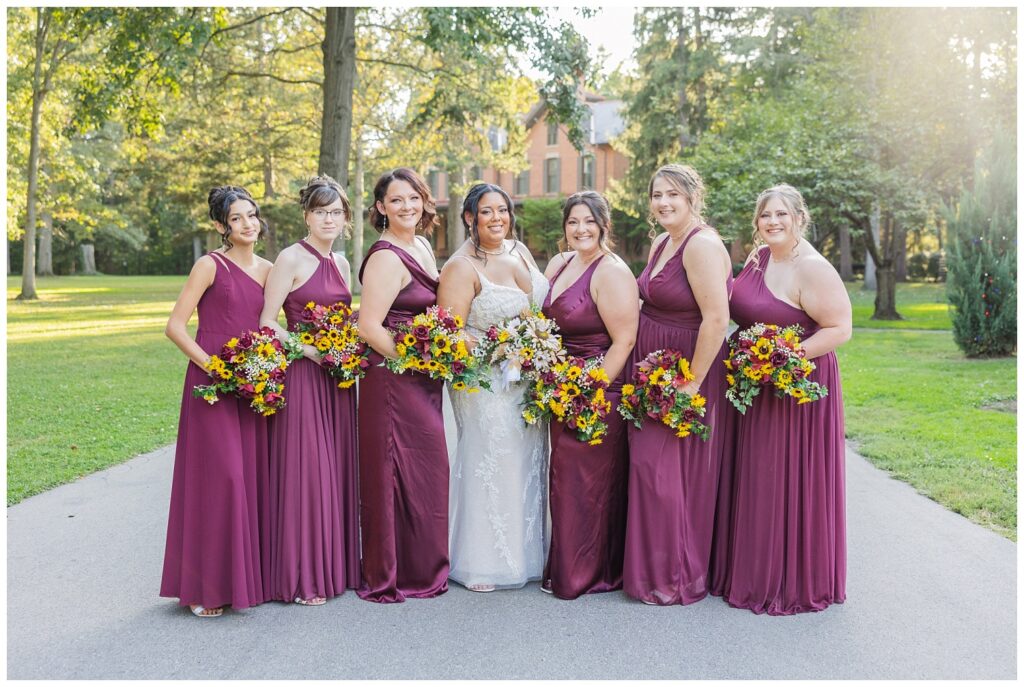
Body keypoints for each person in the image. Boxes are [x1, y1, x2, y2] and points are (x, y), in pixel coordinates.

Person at [719, 184, 851, 615]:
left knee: (785, 474)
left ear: (799, 218)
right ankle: (751, 569)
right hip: (755, 385)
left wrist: (779, 358)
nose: (772, 222)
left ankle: (789, 579)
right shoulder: (758, 257)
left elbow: (839, 330)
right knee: (757, 473)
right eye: (765, 216)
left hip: (797, 386)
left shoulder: (812, 268)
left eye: (781, 215)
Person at [622, 164, 734, 606]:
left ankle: (676, 575)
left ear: (692, 197)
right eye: (657, 195)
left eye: (673, 194)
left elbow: (717, 319)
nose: (664, 202)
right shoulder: (661, 241)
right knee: (652, 466)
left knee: (661, 469)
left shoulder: (701, 245)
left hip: (688, 369)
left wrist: (691, 384)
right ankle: (650, 569)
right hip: (654, 366)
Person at [160, 186, 273, 617]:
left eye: (252, 215)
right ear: (220, 225)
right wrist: (215, 367)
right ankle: (204, 588)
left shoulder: (268, 269)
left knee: (249, 478)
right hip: (211, 384)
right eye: (237, 218)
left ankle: (246, 581)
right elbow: (175, 327)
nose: (247, 224)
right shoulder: (209, 265)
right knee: (220, 479)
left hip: (255, 386)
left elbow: (271, 324)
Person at [437, 183, 549, 593]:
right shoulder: (460, 267)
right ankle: (483, 561)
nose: (497, 218)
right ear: (470, 218)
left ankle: (528, 555)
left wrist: (533, 345)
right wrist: (502, 348)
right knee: (491, 462)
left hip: (525, 382)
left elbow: (536, 310)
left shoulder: (519, 250)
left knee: (523, 460)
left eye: (502, 210)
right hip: (483, 383)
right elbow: (450, 335)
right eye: (486, 212)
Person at [259, 176, 359, 606]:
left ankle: (334, 568)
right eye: (322, 212)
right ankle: (304, 576)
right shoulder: (290, 257)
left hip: (337, 381)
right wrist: (312, 352)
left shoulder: (342, 263)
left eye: (336, 212)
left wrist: (344, 349)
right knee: (308, 474)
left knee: (334, 470)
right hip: (303, 376)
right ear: (307, 215)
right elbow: (267, 322)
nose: (329, 219)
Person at [356, 168, 448, 603]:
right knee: (397, 471)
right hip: (393, 378)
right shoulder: (386, 257)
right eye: (396, 200)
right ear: (381, 208)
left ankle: (425, 565)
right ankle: (392, 572)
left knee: (426, 471)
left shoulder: (423, 246)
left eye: (413, 198)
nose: (406, 207)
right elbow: (369, 325)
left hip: (421, 375)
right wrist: (413, 362)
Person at [540, 191, 639, 599]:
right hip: (561, 386)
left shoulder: (611, 271)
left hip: (598, 390)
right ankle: (568, 566)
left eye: (588, 222)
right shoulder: (559, 263)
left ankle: (587, 574)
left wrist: (586, 392)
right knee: (565, 480)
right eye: (573, 222)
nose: (580, 229)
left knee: (586, 483)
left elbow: (624, 341)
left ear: (603, 225)